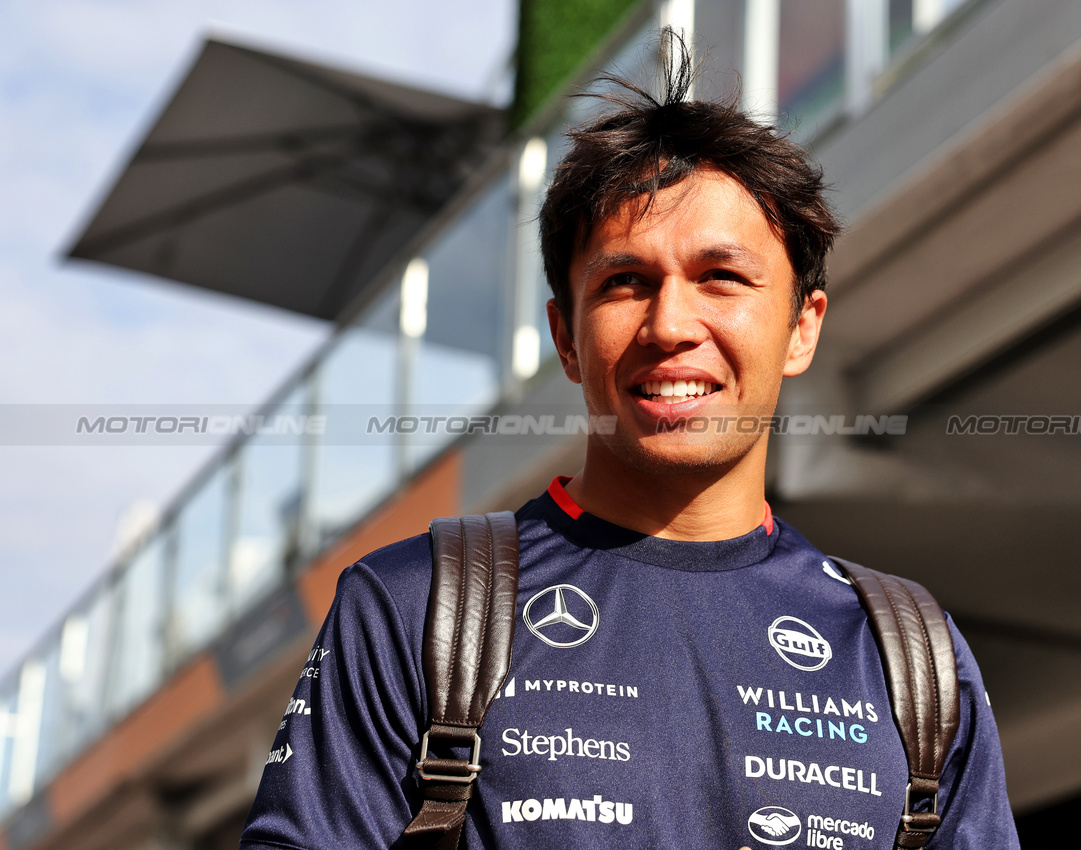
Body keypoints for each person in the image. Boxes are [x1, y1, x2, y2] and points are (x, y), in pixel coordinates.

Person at [240, 33, 1019, 850]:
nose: (671, 326)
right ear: (566, 338)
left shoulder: (911, 654)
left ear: (800, 327)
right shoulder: (414, 608)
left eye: (721, 277)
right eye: (624, 282)